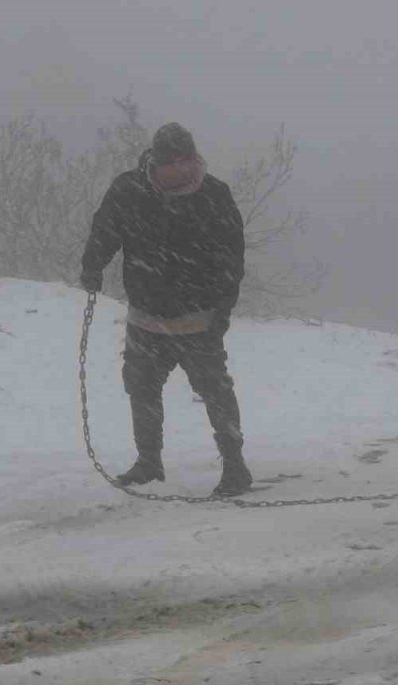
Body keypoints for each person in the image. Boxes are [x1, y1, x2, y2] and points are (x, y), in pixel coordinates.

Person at [80, 122, 253, 497]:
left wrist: (223, 309)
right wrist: (92, 265)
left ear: (195, 159)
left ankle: (236, 467)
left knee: (214, 390)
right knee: (141, 388)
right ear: (154, 163)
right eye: (171, 164)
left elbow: (231, 257)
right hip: (146, 316)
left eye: (186, 162)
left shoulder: (214, 195)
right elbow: (105, 230)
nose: (180, 171)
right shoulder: (129, 190)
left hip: (199, 318)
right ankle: (148, 461)